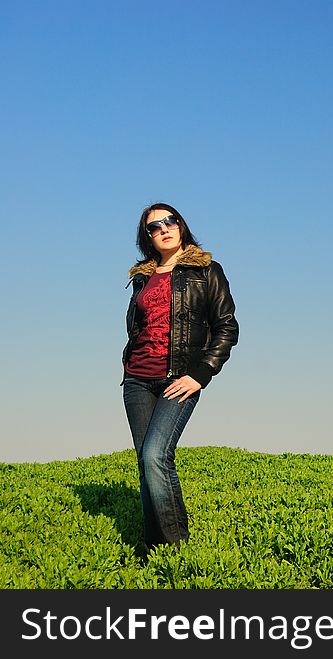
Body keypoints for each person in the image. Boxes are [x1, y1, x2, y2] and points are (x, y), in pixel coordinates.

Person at [121, 202, 239, 554]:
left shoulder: (207, 271)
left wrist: (200, 374)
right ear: (148, 238)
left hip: (179, 379)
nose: (164, 229)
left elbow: (227, 327)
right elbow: (138, 327)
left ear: (181, 225)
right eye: (154, 227)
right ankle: (151, 547)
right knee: (145, 462)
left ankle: (175, 550)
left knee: (157, 454)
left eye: (169, 221)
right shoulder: (142, 277)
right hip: (137, 380)